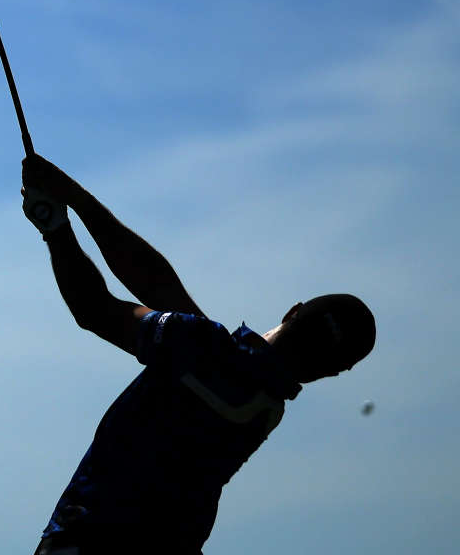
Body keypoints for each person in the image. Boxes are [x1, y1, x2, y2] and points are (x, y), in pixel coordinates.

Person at [21, 155, 375, 555]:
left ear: (292, 310)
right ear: (331, 372)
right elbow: (161, 290)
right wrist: (71, 198)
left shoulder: (202, 348)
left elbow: (94, 309)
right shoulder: (260, 405)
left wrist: (56, 222)